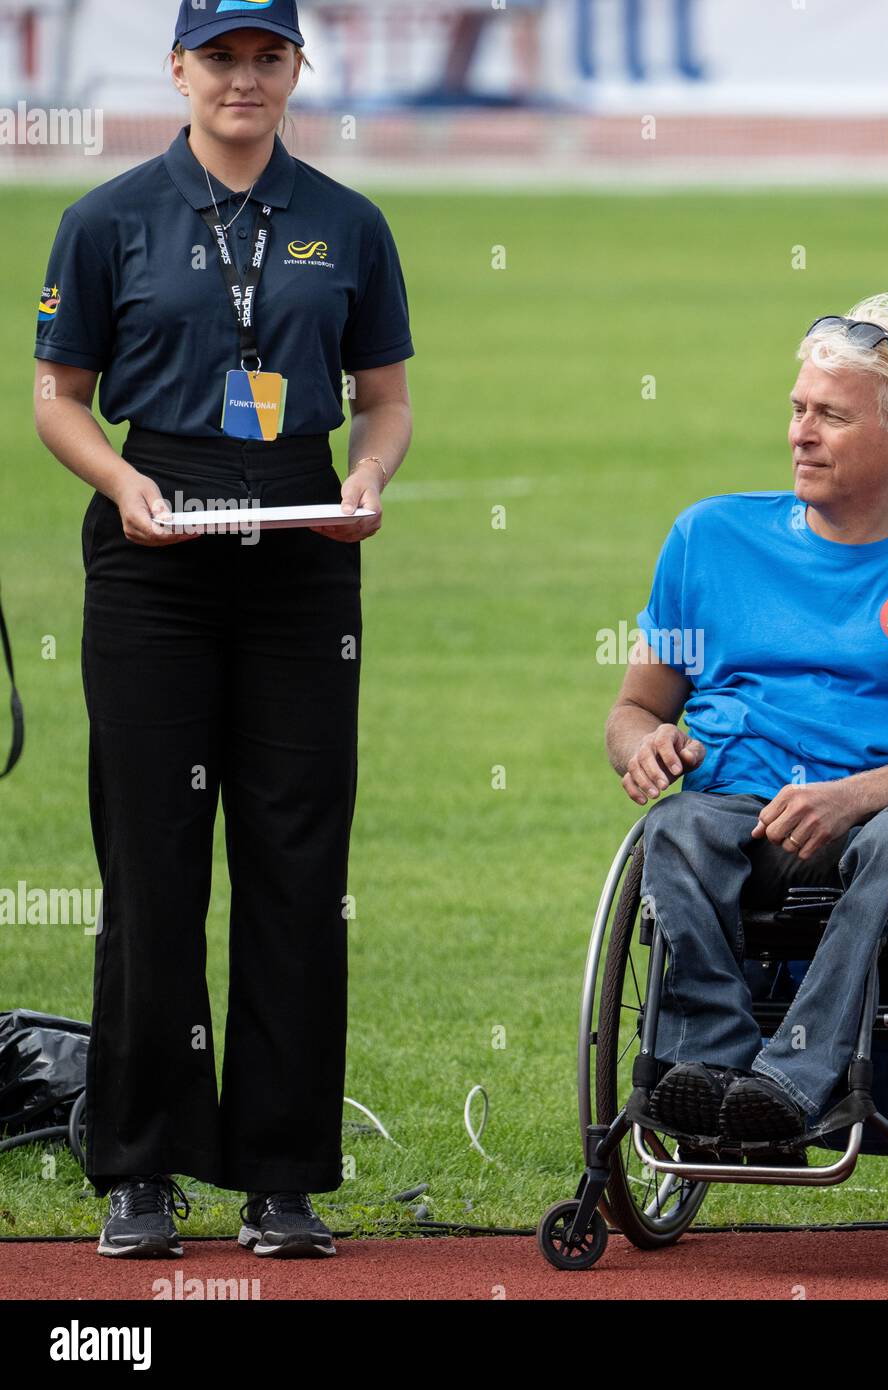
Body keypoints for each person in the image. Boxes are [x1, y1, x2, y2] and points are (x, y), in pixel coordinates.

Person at [31, 0, 414, 1257]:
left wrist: (367, 480)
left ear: (298, 68)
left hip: (303, 556)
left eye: (267, 57)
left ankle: (282, 1172)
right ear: (179, 67)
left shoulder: (348, 223)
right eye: (220, 57)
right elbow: (59, 399)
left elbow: (386, 403)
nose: (242, 79)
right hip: (154, 557)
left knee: (298, 862)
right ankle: (138, 1167)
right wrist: (122, 483)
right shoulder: (107, 220)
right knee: (152, 864)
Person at [605, 294, 888, 1152]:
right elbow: (635, 708)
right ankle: (718, 1068)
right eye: (799, 409)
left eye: (831, 417)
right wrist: (644, 744)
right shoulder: (709, 537)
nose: (801, 432)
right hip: (750, 817)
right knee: (675, 827)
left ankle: (793, 1080)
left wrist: (851, 798)